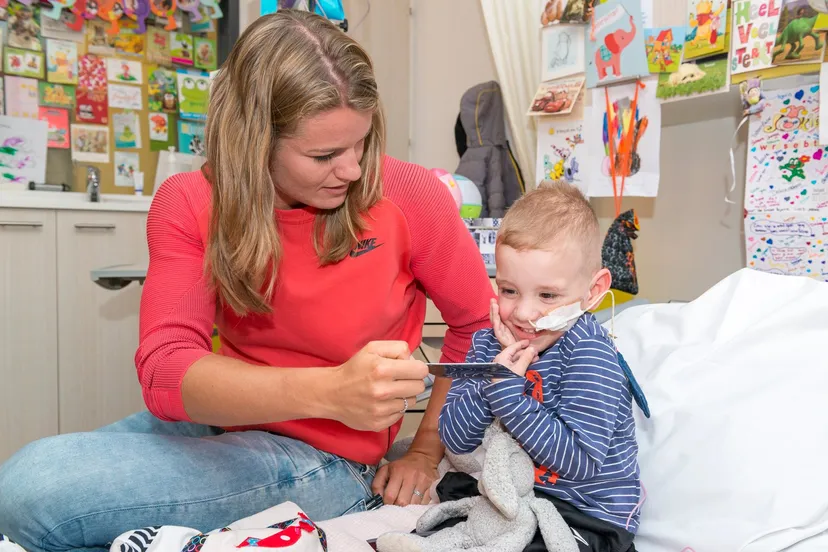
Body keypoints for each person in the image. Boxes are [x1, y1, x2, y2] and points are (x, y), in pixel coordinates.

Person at [0, 10, 493, 552]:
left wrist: (424, 450)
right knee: (26, 492)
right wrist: (331, 391)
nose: (353, 170)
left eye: (362, 143)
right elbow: (166, 373)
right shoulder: (189, 202)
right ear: (255, 141)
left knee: (36, 491)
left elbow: (477, 323)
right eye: (324, 154)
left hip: (329, 458)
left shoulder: (412, 195)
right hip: (225, 425)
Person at [438, 183, 641, 552]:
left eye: (547, 296)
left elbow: (579, 464)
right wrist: (493, 377)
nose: (523, 314)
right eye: (509, 290)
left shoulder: (590, 354)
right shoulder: (488, 342)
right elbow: (454, 439)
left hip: (586, 513)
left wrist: (510, 399)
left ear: (592, 292)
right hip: (514, 496)